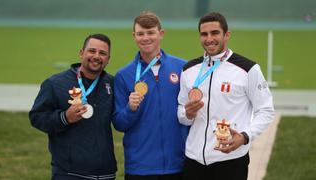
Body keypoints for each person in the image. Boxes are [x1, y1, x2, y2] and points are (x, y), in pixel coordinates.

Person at [177, 12, 275, 180]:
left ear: (227, 35)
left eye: (215, 33)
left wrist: (245, 137)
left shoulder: (248, 69)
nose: (209, 39)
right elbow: (181, 114)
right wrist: (188, 114)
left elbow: (266, 111)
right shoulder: (189, 69)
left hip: (230, 159)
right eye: (204, 34)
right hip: (194, 160)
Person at [29, 34, 117, 180]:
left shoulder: (112, 84)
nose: (96, 56)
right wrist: (64, 118)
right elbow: (36, 117)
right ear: (81, 53)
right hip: (70, 173)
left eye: (102, 53)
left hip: (106, 173)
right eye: (92, 51)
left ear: (108, 59)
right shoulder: (55, 83)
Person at [113, 12, 188, 180]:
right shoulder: (124, 75)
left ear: (161, 34)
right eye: (140, 33)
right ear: (134, 36)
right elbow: (119, 123)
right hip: (140, 167)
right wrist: (130, 109)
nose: (145, 38)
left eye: (150, 32)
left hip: (178, 163)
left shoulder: (182, 68)